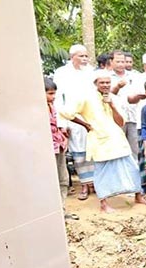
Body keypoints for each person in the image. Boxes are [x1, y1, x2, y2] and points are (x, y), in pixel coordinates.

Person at [59, 71, 146, 212]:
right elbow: (66, 112)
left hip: (118, 139)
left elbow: (120, 122)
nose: (105, 85)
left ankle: (138, 195)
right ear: (96, 83)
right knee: (102, 172)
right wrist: (86, 125)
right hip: (100, 140)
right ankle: (104, 204)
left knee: (131, 167)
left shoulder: (114, 98)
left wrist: (112, 105)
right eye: (102, 82)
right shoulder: (86, 97)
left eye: (108, 82)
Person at [53, 43, 95, 201]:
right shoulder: (62, 73)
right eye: (81, 56)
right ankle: (84, 184)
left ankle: (94, 183)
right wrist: (61, 123)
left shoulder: (90, 72)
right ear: (72, 57)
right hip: (71, 117)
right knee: (78, 150)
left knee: (91, 149)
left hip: (89, 116)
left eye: (86, 56)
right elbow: (58, 99)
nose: (84, 59)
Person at [45, 77, 77, 220]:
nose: (53, 97)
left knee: (63, 179)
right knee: (52, 180)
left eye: (54, 93)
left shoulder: (53, 107)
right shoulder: (39, 110)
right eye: (50, 93)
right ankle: (53, 212)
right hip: (48, 148)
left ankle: (61, 210)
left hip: (59, 146)